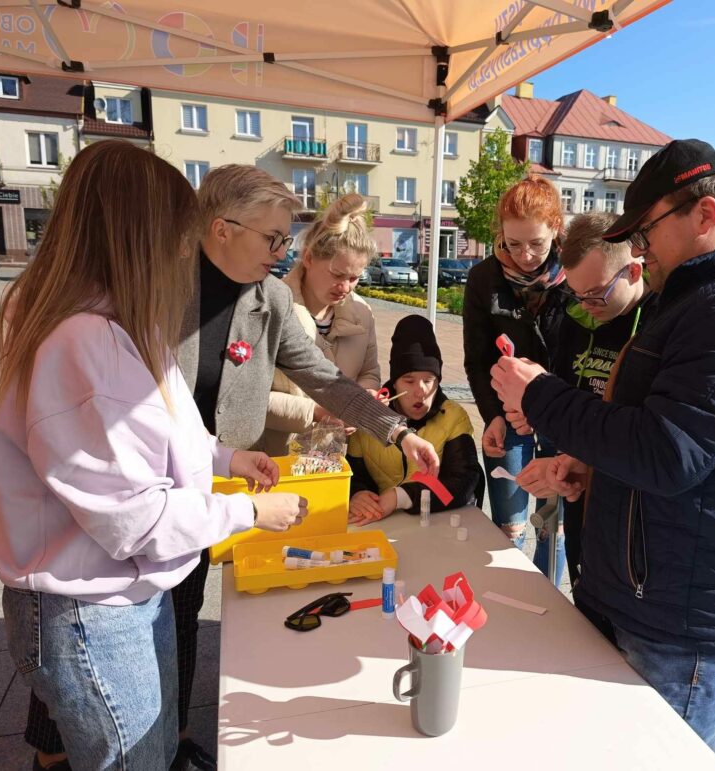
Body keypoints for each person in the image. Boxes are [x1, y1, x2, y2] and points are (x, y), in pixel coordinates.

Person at [23, 163, 440, 770]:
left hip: (215, 469)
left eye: (287, 239)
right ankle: (54, 741)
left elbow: (324, 380)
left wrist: (395, 430)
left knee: (182, 606)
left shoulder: (267, 298)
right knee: (92, 642)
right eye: (273, 238)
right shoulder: (156, 285)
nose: (283, 251)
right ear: (221, 229)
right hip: (131, 478)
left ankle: (169, 732)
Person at [489, 139, 715, 764]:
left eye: (646, 232)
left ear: (705, 215)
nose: (640, 249)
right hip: (654, 597)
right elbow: (662, 435)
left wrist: (541, 394)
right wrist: (586, 465)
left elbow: (668, 453)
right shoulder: (694, 303)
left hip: (691, 619)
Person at [0, 140, 311, 771]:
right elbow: (136, 518)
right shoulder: (88, 340)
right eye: (179, 236)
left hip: (117, 599)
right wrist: (250, 515)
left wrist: (224, 460)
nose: (185, 253)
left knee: (149, 751)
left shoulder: (115, 322)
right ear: (143, 235)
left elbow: (156, 433)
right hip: (90, 612)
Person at [515, 211, 652, 586]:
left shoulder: (656, 328)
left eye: (595, 295)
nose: (586, 305)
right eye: (577, 294)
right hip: (573, 476)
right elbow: (563, 384)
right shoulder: (575, 315)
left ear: (634, 273)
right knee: (579, 575)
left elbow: (646, 436)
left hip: (623, 503)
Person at [462, 175, 567, 582]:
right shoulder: (483, 278)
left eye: (536, 243)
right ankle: (509, 600)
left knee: (552, 526)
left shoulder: (573, 277)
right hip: (508, 415)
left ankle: (547, 606)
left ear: (556, 230)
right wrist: (496, 415)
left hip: (561, 415)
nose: (524, 255)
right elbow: (476, 360)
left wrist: (545, 403)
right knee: (509, 525)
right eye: (512, 243)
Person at [263, 192, 380, 455]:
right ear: (308, 258)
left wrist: (361, 400)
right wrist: (317, 412)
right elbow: (245, 398)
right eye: (337, 275)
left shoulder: (362, 312)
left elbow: (370, 372)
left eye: (355, 278)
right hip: (274, 459)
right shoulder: (271, 309)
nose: (345, 287)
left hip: (330, 460)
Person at [348, 315, 483, 524]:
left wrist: (401, 497)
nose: (420, 392)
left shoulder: (453, 416)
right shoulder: (370, 413)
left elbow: (461, 484)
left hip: (437, 521)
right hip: (378, 522)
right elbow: (352, 472)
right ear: (394, 383)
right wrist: (357, 494)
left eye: (429, 380)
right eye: (408, 380)